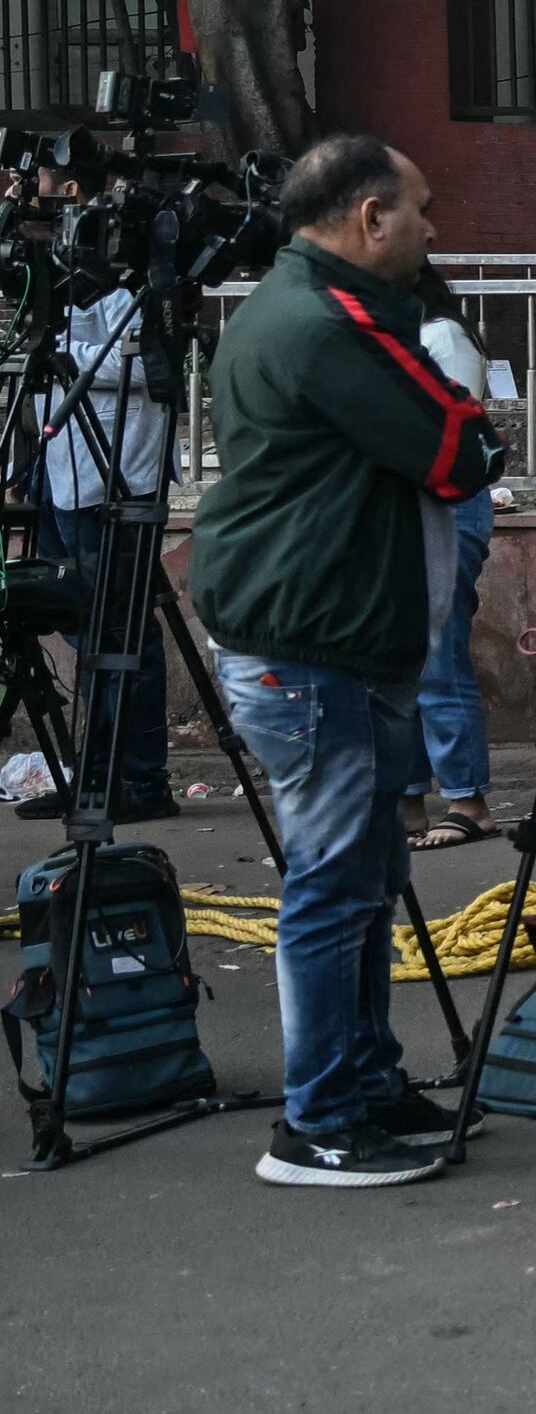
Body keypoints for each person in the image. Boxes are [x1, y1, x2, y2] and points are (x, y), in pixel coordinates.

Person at [189, 134, 499, 1186]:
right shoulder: (327, 326)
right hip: (310, 643)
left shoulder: (301, 306)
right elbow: (458, 452)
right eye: (418, 210)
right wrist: (465, 409)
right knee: (334, 884)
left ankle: (364, 1081)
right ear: (368, 217)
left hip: (331, 635)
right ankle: (318, 1118)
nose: (431, 229)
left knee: (368, 875)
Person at [22, 253, 180, 823]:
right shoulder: (45, 277)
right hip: (58, 470)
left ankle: (140, 780)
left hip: (118, 474)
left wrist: (60, 353)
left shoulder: (135, 272)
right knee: (81, 623)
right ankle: (99, 772)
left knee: (125, 628)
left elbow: (144, 365)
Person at [406, 267, 503, 850]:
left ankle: (468, 800)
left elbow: (446, 426)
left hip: (445, 504)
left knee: (438, 657)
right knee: (408, 661)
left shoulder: (441, 335)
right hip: (415, 504)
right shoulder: (410, 334)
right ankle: (411, 799)